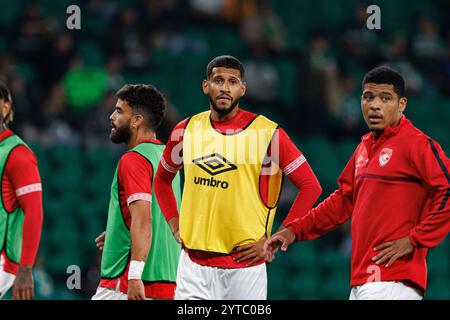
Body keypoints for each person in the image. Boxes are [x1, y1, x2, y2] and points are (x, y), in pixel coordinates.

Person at [265, 66, 450, 300]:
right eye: (368, 97)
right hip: (364, 279)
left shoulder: (417, 144)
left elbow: (447, 189)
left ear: (401, 104)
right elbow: (342, 201)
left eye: (385, 98)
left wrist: (415, 239)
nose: (374, 105)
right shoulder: (363, 147)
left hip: (393, 279)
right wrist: (294, 231)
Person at [154, 55, 322, 300]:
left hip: (243, 269)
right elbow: (161, 180)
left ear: (242, 89)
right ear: (205, 86)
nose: (224, 88)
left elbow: (310, 186)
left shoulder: (268, 133)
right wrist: (174, 223)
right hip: (192, 266)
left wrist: (282, 234)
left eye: (232, 82)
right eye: (218, 80)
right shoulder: (185, 130)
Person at [92, 84, 181, 300]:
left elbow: (143, 220)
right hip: (169, 283)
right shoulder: (166, 158)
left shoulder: (133, 159)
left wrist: (133, 276)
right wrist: (119, 232)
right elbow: (158, 216)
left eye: (119, 111)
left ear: (137, 120)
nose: (112, 116)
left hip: (127, 285)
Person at [0, 82, 43, 300]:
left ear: (6, 107)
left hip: (3, 259)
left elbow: (34, 212)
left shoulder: (18, 154)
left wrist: (25, 268)